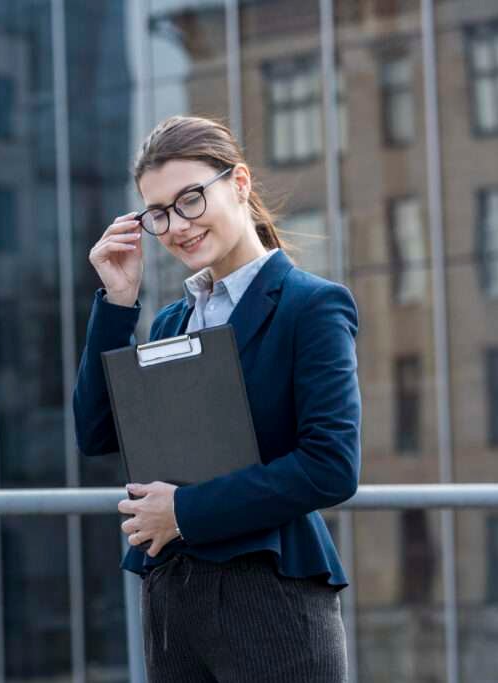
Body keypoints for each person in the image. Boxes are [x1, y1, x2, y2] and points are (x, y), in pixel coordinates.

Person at [73, 115, 360, 682]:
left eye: (190, 200)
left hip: (268, 594)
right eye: (158, 213)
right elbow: (97, 434)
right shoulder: (172, 320)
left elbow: (331, 466)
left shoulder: (312, 306)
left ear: (240, 184)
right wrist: (117, 301)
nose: (176, 225)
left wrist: (184, 511)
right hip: (173, 599)